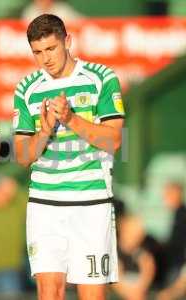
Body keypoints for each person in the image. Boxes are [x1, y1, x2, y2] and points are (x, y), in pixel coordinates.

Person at [13, 14, 125, 299]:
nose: (45, 59)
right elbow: (23, 156)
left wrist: (70, 119)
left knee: (92, 295)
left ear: (67, 41)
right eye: (37, 52)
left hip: (91, 203)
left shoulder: (101, 78)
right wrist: (46, 130)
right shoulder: (27, 89)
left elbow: (113, 140)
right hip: (45, 205)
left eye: (51, 49)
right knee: (50, 292)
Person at [156, 182, 186, 300]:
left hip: (178, 267)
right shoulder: (175, 214)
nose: (165, 197)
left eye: (168, 193)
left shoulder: (182, 215)